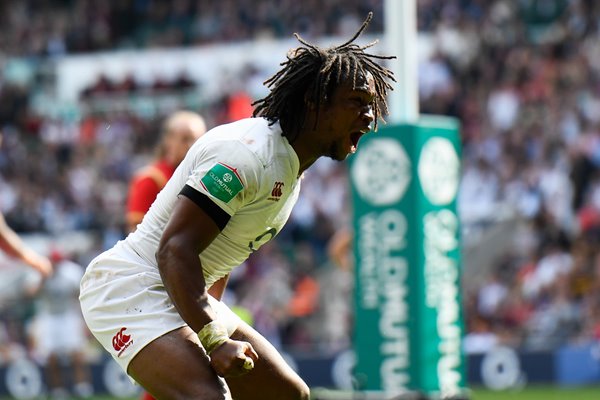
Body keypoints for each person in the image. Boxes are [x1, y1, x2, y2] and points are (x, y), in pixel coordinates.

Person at [79, 12, 394, 400]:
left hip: (180, 289)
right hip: (129, 288)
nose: (370, 115)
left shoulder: (289, 166)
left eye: (371, 104)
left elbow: (218, 258)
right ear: (316, 103)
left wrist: (205, 323)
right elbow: (175, 250)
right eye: (357, 102)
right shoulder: (247, 157)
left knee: (286, 394)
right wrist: (212, 339)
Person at [126, 110, 207, 233]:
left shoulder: (205, 177)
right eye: (186, 139)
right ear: (169, 140)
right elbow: (136, 233)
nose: (192, 146)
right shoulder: (150, 179)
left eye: (197, 140)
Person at [28, 250, 93, 399]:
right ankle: (58, 388)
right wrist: (42, 280)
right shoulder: (40, 272)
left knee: (76, 352)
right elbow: (30, 293)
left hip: (67, 315)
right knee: (51, 355)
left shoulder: (71, 272)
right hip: (49, 316)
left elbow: (82, 292)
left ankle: (82, 386)